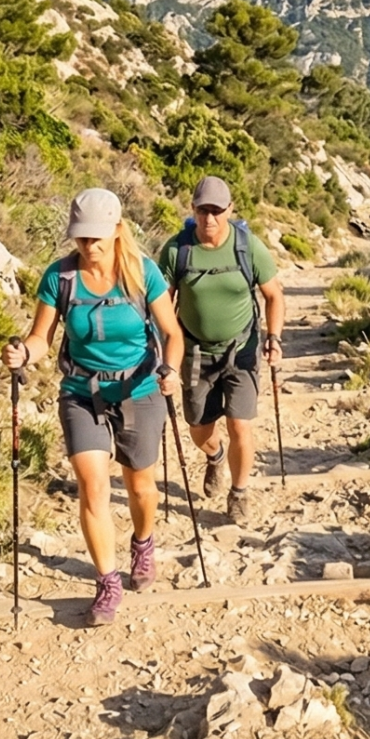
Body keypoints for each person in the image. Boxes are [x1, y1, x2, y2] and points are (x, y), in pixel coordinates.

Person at [3, 188, 185, 627]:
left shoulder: (143, 274)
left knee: (141, 486)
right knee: (93, 486)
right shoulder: (59, 278)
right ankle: (107, 582)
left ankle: (143, 542)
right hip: (81, 393)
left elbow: (172, 334)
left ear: (118, 231)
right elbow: (41, 338)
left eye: (97, 237)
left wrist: (171, 369)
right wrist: (24, 354)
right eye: (82, 238)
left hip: (139, 389)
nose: (89, 246)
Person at [160, 175, 284, 526]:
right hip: (195, 351)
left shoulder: (248, 247)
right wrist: (163, 350)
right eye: (203, 210)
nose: (209, 218)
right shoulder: (176, 250)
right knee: (199, 427)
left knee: (240, 425)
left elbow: (274, 295)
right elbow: (161, 304)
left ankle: (239, 492)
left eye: (216, 210)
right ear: (193, 209)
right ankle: (214, 457)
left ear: (230, 209)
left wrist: (273, 339)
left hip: (241, 349)